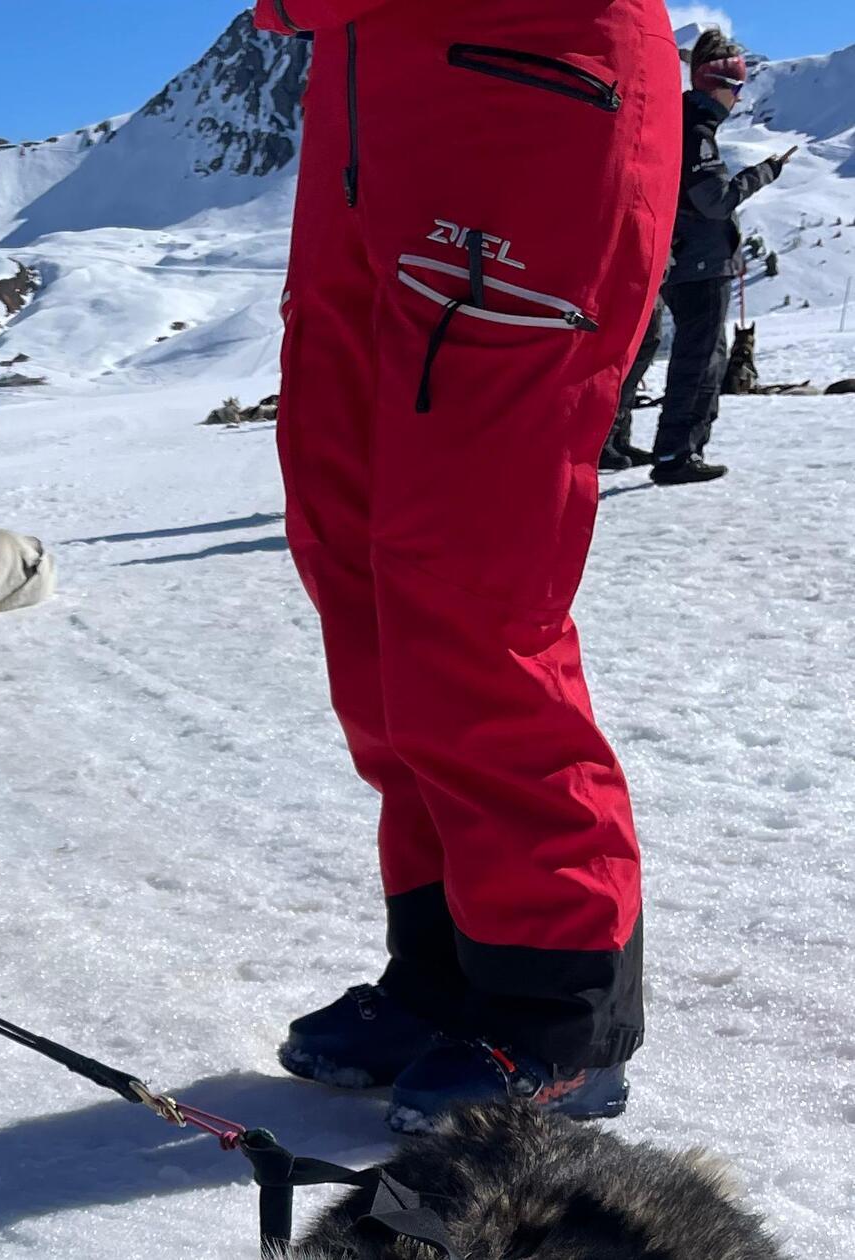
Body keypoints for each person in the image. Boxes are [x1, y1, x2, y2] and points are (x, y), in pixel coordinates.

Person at [252, 0, 676, 1132]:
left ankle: (553, 1014)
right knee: (359, 574)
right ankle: (450, 970)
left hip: (522, 85)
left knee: (468, 587)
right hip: (367, 100)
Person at [652, 30, 794, 486]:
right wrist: (761, 175)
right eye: (736, 88)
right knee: (699, 358)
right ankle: (676, 453)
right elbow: (714, 198)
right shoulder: (697, 130)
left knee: (708, 355)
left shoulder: (686, 121)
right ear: (718, 86)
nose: (739, 97)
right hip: (697, 263)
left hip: (687, 258)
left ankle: (684, 448)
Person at [601, 295, 664, 471]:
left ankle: (618, 437)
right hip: (631, 281)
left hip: (652, 281)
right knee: (625, 351)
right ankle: (604, 439)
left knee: (643, 346)